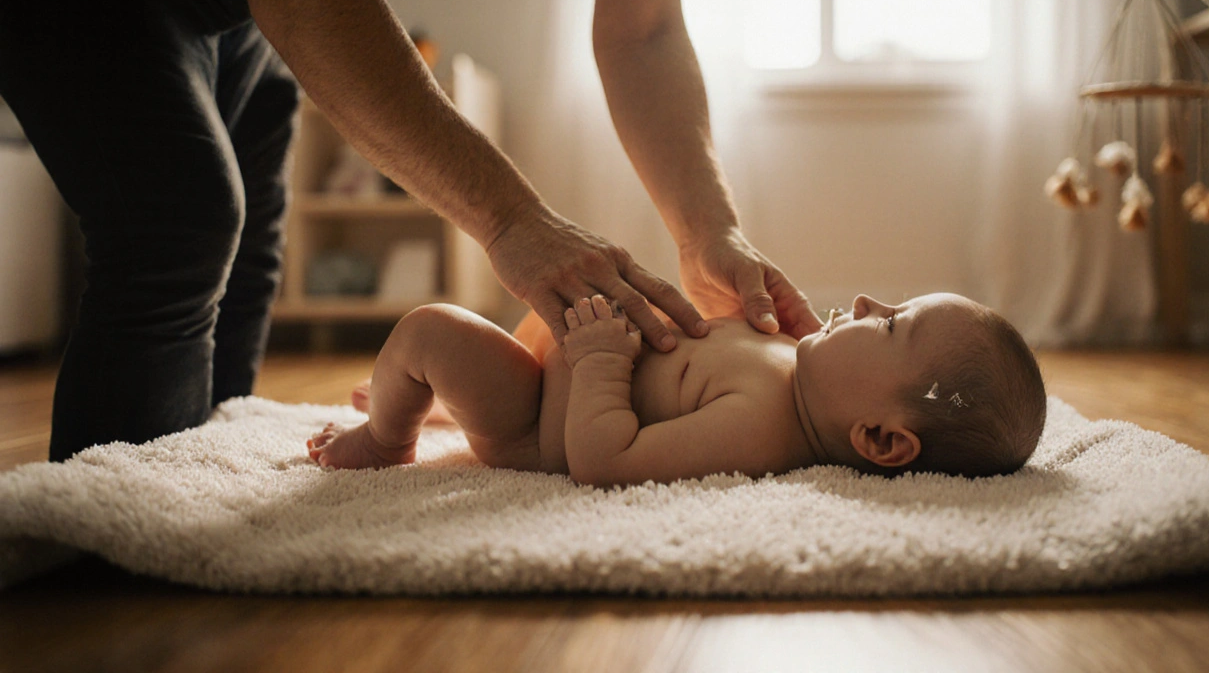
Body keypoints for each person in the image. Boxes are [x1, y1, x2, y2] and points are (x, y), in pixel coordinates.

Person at [0, 0, 820, 462]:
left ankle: (203, 500)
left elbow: (643, 30)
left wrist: (710, 228)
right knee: (180, 224)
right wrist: (511, 221)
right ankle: (99, 561)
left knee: (251, 251)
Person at [307, 293, 1047, 483]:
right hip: (556, 354)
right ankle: (433, 408)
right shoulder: (794, 368)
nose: (863, 305)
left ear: (881, 438)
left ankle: (386, 439)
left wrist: (599, 363)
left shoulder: (760, 425)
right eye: (892, 302)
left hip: (534, 418)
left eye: (889, 327)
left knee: (429, 332)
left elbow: (604, 460)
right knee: (445, 351)